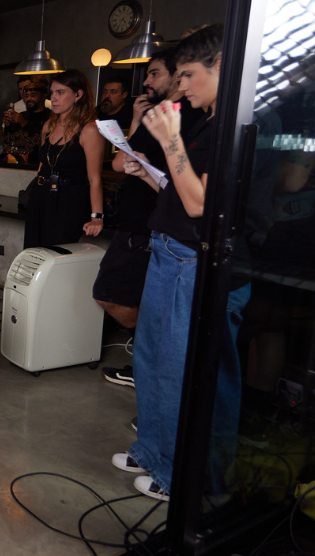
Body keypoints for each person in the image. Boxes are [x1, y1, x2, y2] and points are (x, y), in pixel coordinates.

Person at [114, 24, 249, 501]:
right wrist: (146, 172)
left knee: (176, 368)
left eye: (189, 75)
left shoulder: (233, 126)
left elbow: (199, 205)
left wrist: (169, 139)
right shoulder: (208, 122)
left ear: (221, 66)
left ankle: (177, 475)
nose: (183, 85)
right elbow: (179, 190)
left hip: (192, 259)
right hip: (168, 249)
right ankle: (151, 450)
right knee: (150, 359)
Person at [95, 47, 207, 389]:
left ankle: (148, 358)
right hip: (152, 223)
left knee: (114, 295)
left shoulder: (177, 117)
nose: (146, 81)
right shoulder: (170, 115)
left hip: (158, 230)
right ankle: (147, 359)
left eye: (154, 73)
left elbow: (196, 202)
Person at [22, 70, 106, 248]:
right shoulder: (49, 125)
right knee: (34, 254)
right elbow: (42, 165)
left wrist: (96, 217)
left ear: (78, 94)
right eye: (52, 93)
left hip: (69, 201)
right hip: (40, 198)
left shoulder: (89, 129)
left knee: (59, 256)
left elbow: (94, 178)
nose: (54, 98)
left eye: (60, 93)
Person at [0, 76, 53, 164]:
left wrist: (24, 123)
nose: (28, 99)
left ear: (43, 96)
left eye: (33, 95)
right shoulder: (22, 115)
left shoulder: (51, 117)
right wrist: (8, 126)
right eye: (26, 96)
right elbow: (8, 143)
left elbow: (42, 141)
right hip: (19, 165)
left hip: (38, 165)